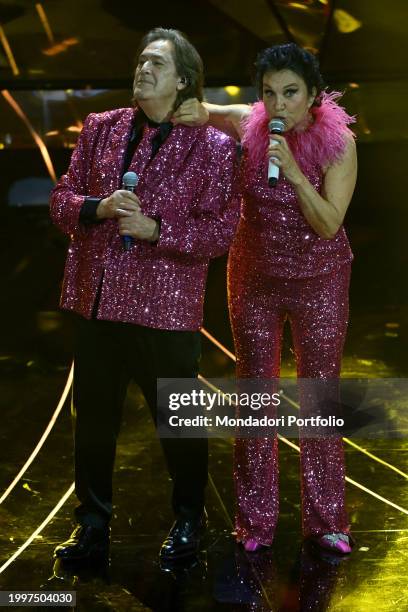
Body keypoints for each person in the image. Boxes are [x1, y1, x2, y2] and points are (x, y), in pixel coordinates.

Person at [50, 27, 240, 563]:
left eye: (156, 63)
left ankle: (188, 521)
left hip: (165, 310)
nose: (143, 69)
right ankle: (90, 526)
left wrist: (158, 230)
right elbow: (62, 201)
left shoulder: (214, 147)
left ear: (184, 80)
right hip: (97, 302)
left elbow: (220, 232)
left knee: (178, 426)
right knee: (93, 426)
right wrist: (98, 208)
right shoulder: (100, 127)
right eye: (140, 61)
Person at [174, 43, 357, 554]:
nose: (279, 106)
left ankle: (326, 522)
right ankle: (254, 524)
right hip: (253, 276)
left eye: (291, 93)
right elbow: (201, 109)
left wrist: (296, 173)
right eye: (270, 94)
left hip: (319, 276)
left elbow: (328, 225)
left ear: (314, 96)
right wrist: (182, 100)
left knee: (319, 397)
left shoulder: (340, 145)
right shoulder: (247, 123)